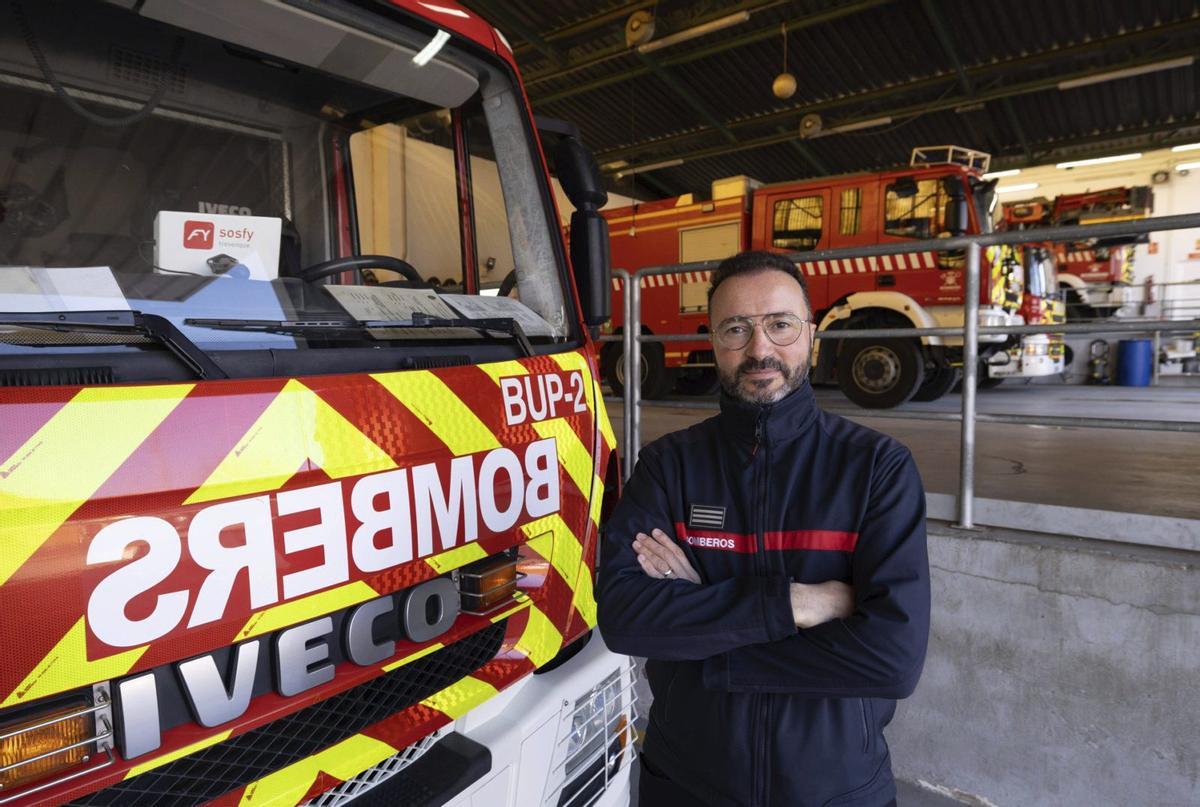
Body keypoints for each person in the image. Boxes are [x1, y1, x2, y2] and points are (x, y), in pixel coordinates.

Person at [597, 250, 930, 807]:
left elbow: (892, 659)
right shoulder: (667, 467)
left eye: (779, 324)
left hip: (837, 790)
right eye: (736, 328)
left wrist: (704, 629)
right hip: (685, 787)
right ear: (712, 341)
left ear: (811, 334)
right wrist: (796, 605)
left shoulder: (877, 468)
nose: (759, 349)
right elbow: (626, 621)